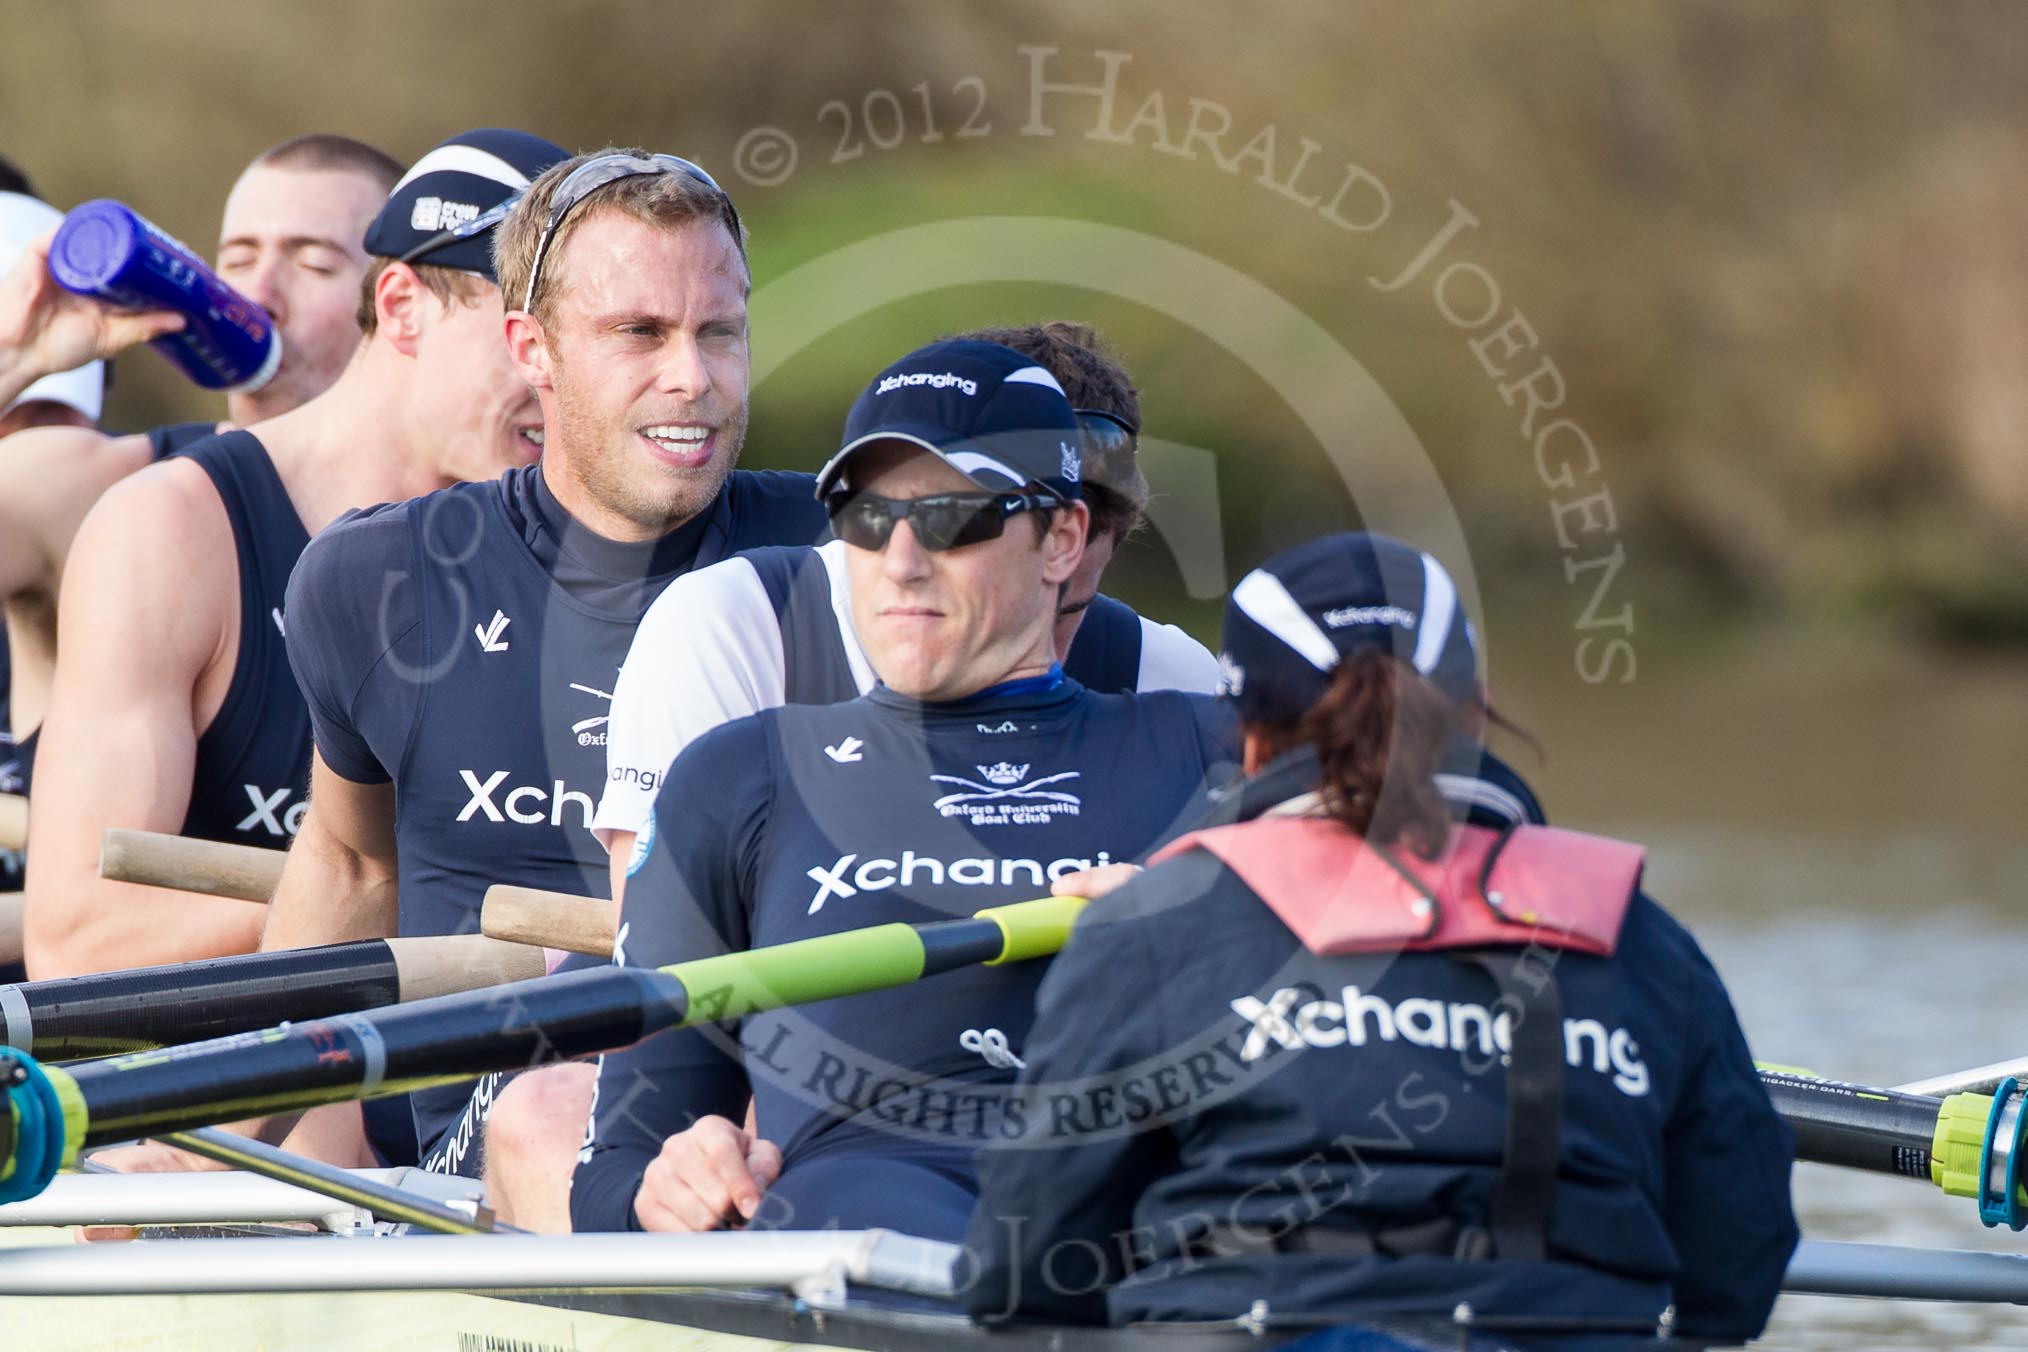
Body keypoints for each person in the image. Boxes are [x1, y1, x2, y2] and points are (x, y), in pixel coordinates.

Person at [961, 532, 1799, 1346]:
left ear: (1247, 728)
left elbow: (1023, 1271)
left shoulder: (1154, 929)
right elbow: (1736, 1273)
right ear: (1473, 709)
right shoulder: (1636, 932)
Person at [569, 338, 1240, 1244]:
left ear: (1063, 538)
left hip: (1156, 1211)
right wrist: (670, 1187)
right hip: (873, 1220)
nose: (901, 561)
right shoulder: (739, 780)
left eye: (955, 517)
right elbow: (618, 1170)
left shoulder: (1214, 754)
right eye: (867, 516)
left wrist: (1226, 958)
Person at [260, 148, 830, 1175]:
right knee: (566, 1100)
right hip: (501, 1133)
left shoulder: (858, 555)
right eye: (639, 334)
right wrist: (257, 1156)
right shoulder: (376, 578)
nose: (691, 377)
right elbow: (349, 863)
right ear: (535, 347)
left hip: (787, 1109)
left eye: (719, 333)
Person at [22, 129, 568, 980]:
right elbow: (78, 939)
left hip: (456, 1082)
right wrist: (374, 890)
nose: (560, 383)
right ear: (400, 308)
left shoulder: (555, 524)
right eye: (526, 337)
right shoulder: (170, 527)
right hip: (230, 1096)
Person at [590, 320, 1218, 897]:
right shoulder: (731, 622)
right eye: (951, 518)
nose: (1034, 630)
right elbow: (647, 920)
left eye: (1069, 605)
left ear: (1070, 538)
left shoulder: (1177, 682)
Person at [0, 135, 402, 805]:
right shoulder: (92, 486)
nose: (259, 294)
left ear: (397, 303)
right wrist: (13, 358)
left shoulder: (456, 526)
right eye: (237, 258)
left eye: (315, 264)